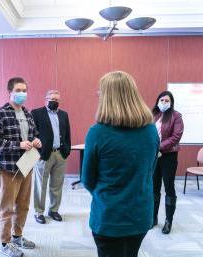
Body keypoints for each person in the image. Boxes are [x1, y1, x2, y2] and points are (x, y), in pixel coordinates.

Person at [81, 71, 159, 257]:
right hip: (140, 215)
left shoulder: (97, 132)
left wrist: (109, 194)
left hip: (109, 217)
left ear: (107, 97)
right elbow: (150, 170)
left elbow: (87, 179)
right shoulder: (150, 130)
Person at [0, 77, 42, 257]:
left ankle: (17, 236)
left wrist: (36, 140)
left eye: (25, 90)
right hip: (8, 167)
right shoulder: (0, 114)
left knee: (24, 205)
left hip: (27, 164)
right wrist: (18, 145)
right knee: (7, 207)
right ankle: (5, 242)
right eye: (18, 90)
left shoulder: (28, 113)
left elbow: (34, 134)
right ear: (9, 92)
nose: (22, 94)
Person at [31, 90, 71, 224]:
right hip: (44, 155)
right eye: (52, 98)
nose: (54, 101)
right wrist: (38, 151)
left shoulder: (64, 115)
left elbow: (67, 134)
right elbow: (31, 133)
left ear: (60, 101)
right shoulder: (36, 113)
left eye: (57, 99)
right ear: (45, 99)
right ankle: (39, 212)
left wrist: (66, 150)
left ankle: (54, 210)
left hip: (60, 154)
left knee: (57, 184)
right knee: (40, 185)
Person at [152, 90, 184, 234]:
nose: (163, 103)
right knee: (154, 187)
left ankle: (168, 221)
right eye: (161, 100)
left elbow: (176, 136)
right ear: (157, 101)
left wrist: (160, 147)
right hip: (154, 156)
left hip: (168, 156)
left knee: (169, 187)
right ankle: (153, 218)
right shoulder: (153, 115)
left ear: (171, 103)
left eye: (167, 101)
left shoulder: (176, 116)